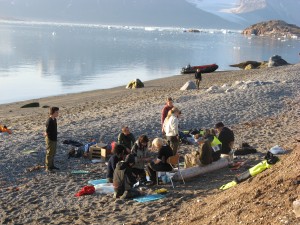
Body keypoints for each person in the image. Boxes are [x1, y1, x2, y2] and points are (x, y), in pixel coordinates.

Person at [44, 106, 59, 172]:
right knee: (49, 153)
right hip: (50, 139)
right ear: (53, 112)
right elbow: (46, 132)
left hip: (54, 138)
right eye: (56, 112)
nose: (58, 113)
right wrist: (49, 138)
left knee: (53, 152)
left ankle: (51, 165)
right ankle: (48, 167)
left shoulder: (54, 119)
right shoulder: (49, 121)